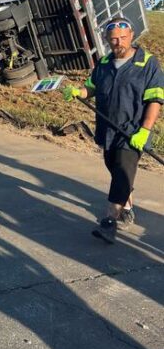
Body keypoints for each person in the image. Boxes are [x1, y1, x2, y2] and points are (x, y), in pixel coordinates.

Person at [62, 16, 163, 241]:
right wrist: (79, 93)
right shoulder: (105, 62)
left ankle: (109, 222)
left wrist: (145, 130)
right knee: (116, 170)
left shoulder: (147, 63)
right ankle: (127, 208)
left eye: (122, 38)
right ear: (107, 40)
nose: (118, 43)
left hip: (133, 131)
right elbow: (92, 88)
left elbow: (155, 99)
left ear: (132, 36)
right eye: (113, 39)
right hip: (107, 130)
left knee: (122, 172)